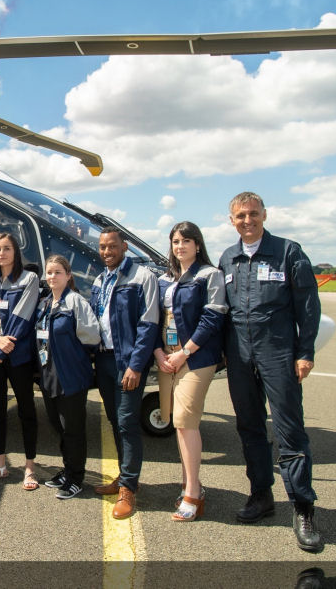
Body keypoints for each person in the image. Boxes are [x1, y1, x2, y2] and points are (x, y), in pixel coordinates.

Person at [219, 191, 323, 552]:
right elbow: (222, 311)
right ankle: (261, 495)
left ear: (265, 215)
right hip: (239, 355)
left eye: (253, 214)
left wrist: (304, 352)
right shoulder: (227, 258)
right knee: (249, 428)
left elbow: (308, 305)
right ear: (231, 221)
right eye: (240, 216)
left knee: (290, 431)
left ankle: (303, 508)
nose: (247, 221)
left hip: (278, 353)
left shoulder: (288, 251)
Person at [152, 222, 227, 521]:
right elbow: (154, 319)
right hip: (167, 357)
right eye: (175, 241)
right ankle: (188, 482)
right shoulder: (163, 278)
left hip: (196, 358)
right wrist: (159, 353)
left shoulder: (210, 275)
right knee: (174, 419)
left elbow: (212, 319)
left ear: (198, 244)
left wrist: (185, 352)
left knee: (185, 421)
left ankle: (193, 492)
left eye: (186, 241)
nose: (180, 246)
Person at [89, 228, 159, 520]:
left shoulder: (142, 278)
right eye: (103, 247)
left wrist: (136, 365)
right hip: (104, 360)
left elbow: (149, 324)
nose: (107, 251)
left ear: (125, 246)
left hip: (127, 362)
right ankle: (124, 476)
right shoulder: (99, 279)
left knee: (128, 421)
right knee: (116, 420)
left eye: (112, 246)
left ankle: (129, 487)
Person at [0, 233, 41, 489]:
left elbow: (22, 317)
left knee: (26, 411)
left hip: (17, 357)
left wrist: (1, 349)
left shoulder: (29, 279)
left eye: (7, 249)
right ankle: (0, 464)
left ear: (16, 252)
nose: (2, 253)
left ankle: (30, 468)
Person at [38, 255, 101, 499]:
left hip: (71, 376)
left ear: (68, 275)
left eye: (58, 272)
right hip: (49, 376)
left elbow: (92, 337)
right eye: (49, 272)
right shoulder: (45, 304)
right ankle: (67, 469)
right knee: (58, 426)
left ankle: (76, 478)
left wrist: (72, 356)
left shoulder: (75, 302)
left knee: (73, 429)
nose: (52, 277)